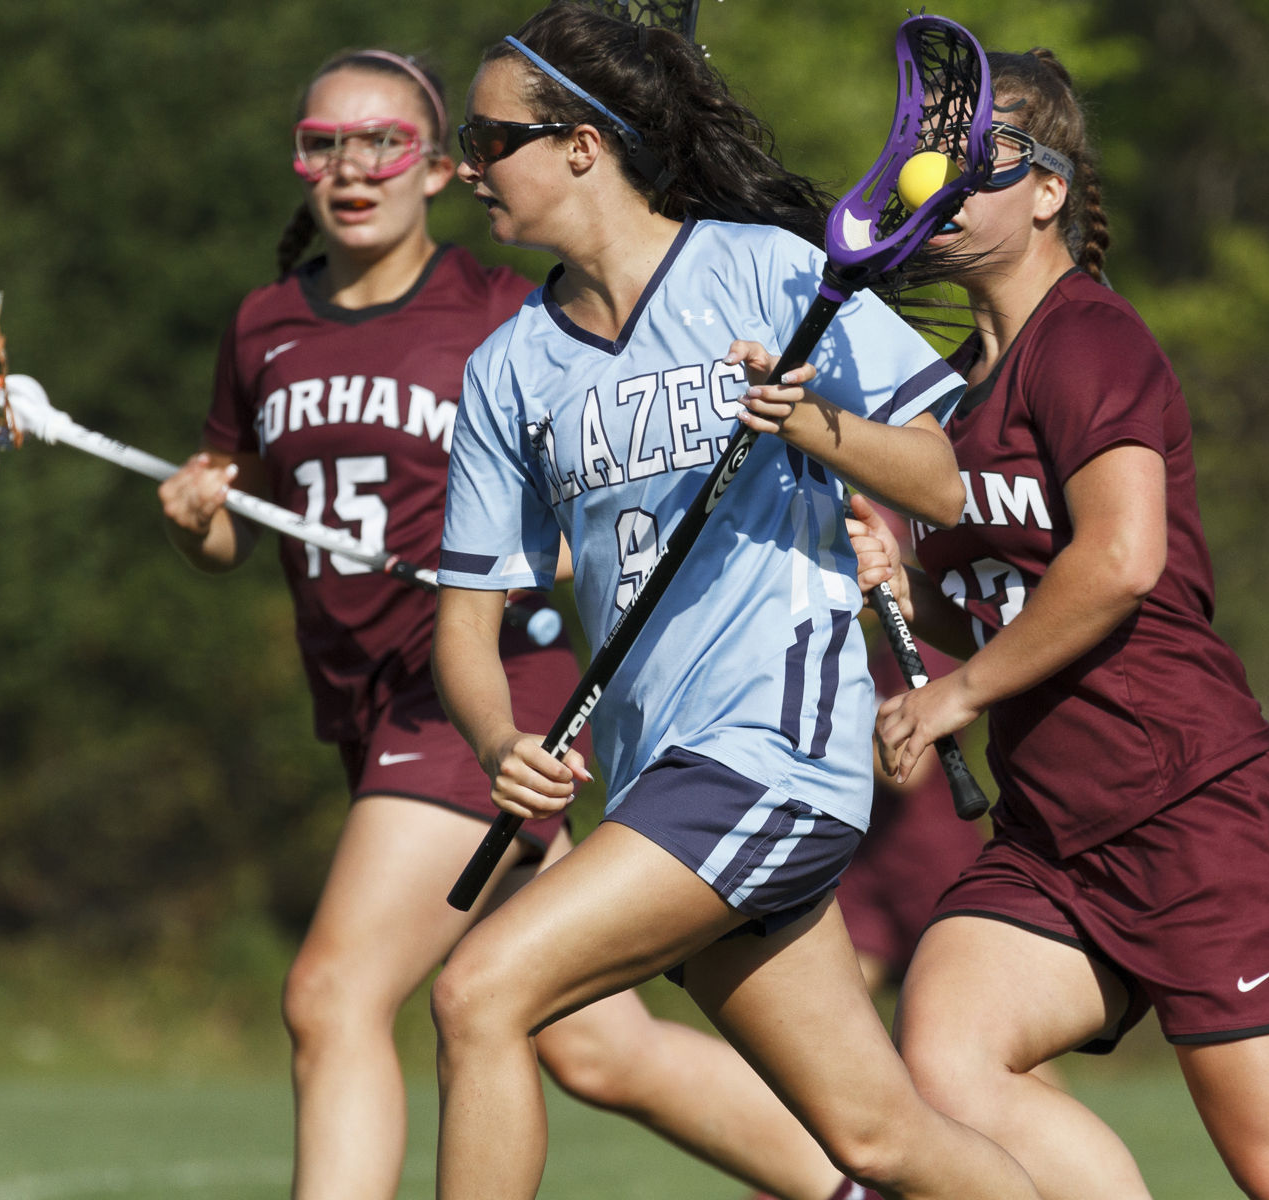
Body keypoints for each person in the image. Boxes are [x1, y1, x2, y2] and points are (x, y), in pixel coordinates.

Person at [158, 44, 873, 1200]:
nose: (352, 166)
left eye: (383, 141)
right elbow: (235, 525)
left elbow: (621, 471)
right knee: (594, 1045)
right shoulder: (264, 328)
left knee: (337, 994)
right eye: (323, 144)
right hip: (372, 707)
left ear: (437, 167)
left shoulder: (499, 309)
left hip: (482, 688)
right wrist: (200, 522)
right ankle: (856, 1182)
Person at [430, 6, 1045, 1198]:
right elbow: (466, 624)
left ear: (581, 146)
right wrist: (500, 740)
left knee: (479, 992)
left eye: (489, 139)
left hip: (773, 753)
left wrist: (812, 425)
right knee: (879, 1144)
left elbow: (940, 477)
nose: (469, 166)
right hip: (653, 778)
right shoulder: (507, 368)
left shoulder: (765, 272)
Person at [850, 46, 1269, 1200]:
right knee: (946, 1065)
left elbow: (1121, 563)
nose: (939, 184)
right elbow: (1007, 606)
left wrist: (957, 694)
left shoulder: (1088, 338)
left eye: (975, 161)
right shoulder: (955, 393)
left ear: (1048, 189)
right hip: (1054, 835)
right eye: (930, 159)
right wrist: (907, 591)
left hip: (1193, 812)